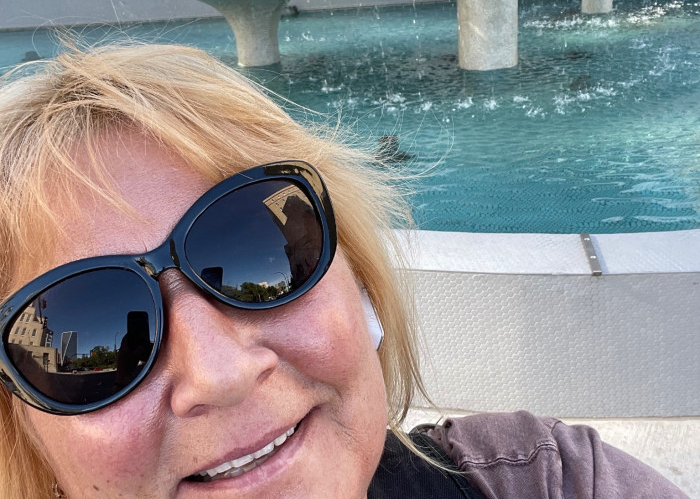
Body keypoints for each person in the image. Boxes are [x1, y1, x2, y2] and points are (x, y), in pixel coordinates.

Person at [0, 44, 689, 499]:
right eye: (90, 337)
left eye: (258, 255)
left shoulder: (541, 480)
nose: (221, 374)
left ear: (358, 281)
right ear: (23, 434)